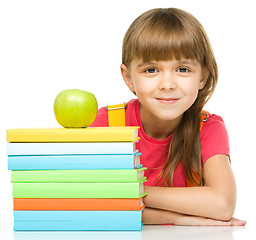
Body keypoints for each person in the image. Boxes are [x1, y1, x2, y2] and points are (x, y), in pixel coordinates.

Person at [91, 8, 246, 226]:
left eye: (182, 69)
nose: (167, 84)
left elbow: (222, 204)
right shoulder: (106, 124)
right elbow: (91, 202)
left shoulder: (208, 128)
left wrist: (131, 191)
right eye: (151, 70)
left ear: (203, 76)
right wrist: (180, 218)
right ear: (128, 77)